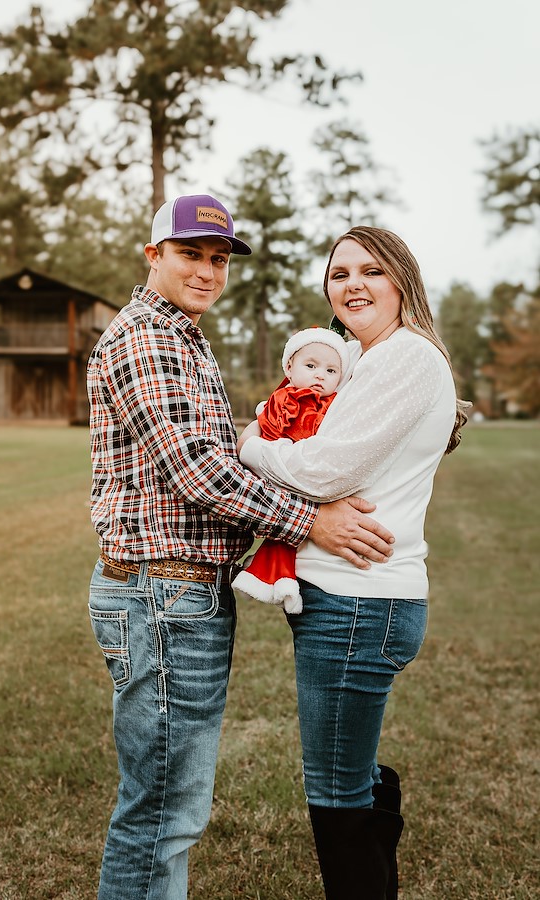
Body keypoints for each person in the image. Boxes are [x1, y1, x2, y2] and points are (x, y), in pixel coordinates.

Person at [86, 195, 396, 900]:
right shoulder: (146, 338)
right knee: (162, 814)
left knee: (168, 808)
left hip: (177, 593)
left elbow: (225, 455)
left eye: (219, 258)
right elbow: (197, 468)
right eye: (191, 253)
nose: (207, 270)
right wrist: (309, 521)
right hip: (162, 594)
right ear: (153, 254)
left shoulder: (182, 335)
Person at [238, 225, 469, 899]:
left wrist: (254, 443)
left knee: (334, 798)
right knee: (353, 780)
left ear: (402, 279)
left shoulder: (405, 358)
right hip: (349, 601)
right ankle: (380, 848)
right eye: (340, 275)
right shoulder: (371, 362)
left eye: (371, 270)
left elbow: (323, 468)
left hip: (358, 604)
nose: (354, 284)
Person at [232, 326, 350, 613]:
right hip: (278, 473)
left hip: (310, 475)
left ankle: (274, 577)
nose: (320, 375)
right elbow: (264, 430)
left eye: (331, 371)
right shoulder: (281, 400)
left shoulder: (336, 407)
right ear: (289, 367)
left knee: (289, 540)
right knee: (284, 532)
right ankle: (272, 576)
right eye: (311, 366)